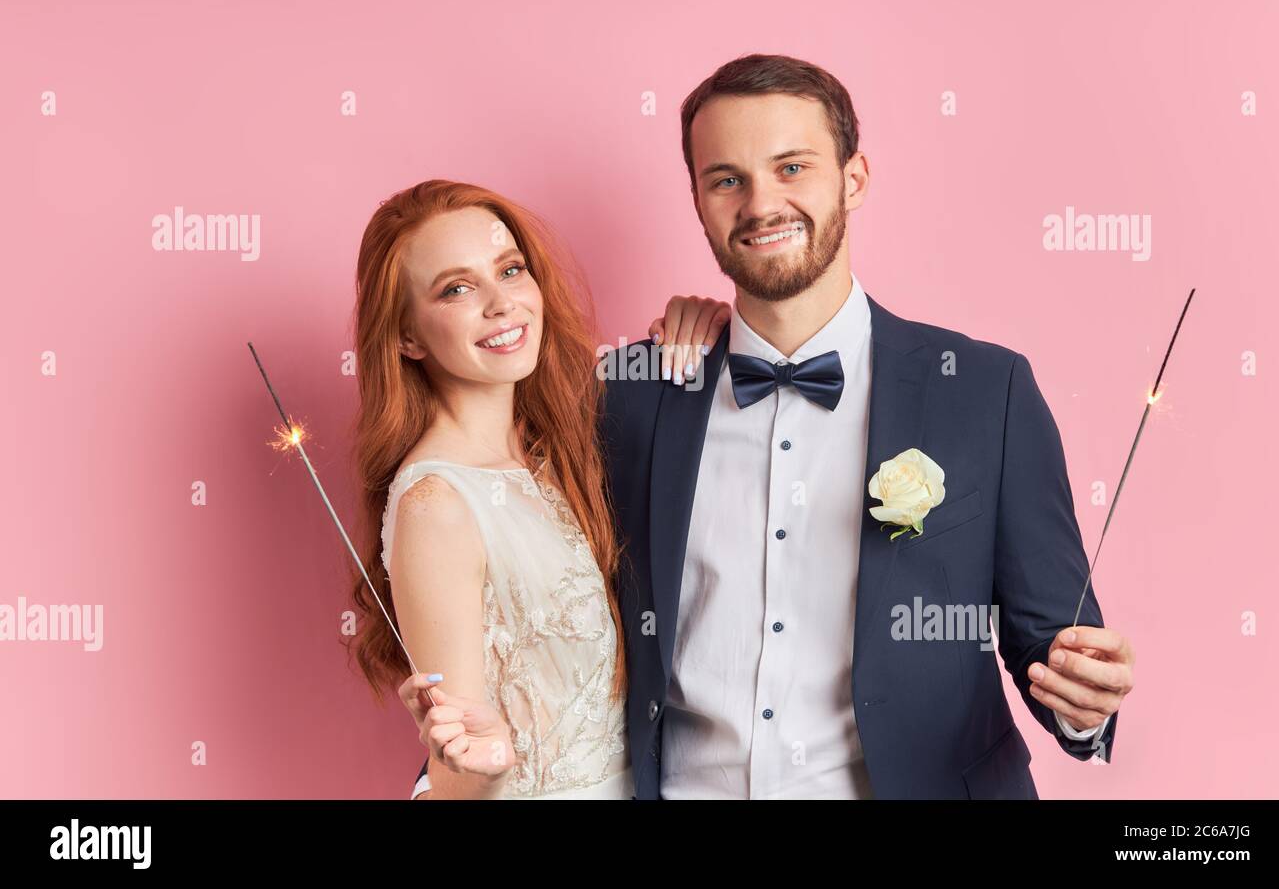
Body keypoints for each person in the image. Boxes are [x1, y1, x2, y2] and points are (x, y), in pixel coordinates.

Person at [406, 53, 1136, 799]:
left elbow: (1054, 642)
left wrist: (1084, 701)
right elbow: (535, 598)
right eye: (727, 179)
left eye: (792, 168)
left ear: (853, 178)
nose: (761, 205)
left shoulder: (987, 391)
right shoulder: (627, 396)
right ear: (697, 200)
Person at [349, 179, 729, 799]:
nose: (501, 304)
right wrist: (485, 765)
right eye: (457, 288)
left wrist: (705, 326)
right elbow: (457, 770)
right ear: (407, 337)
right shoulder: (436, 505)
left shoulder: (558, 451)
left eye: (510, 269)